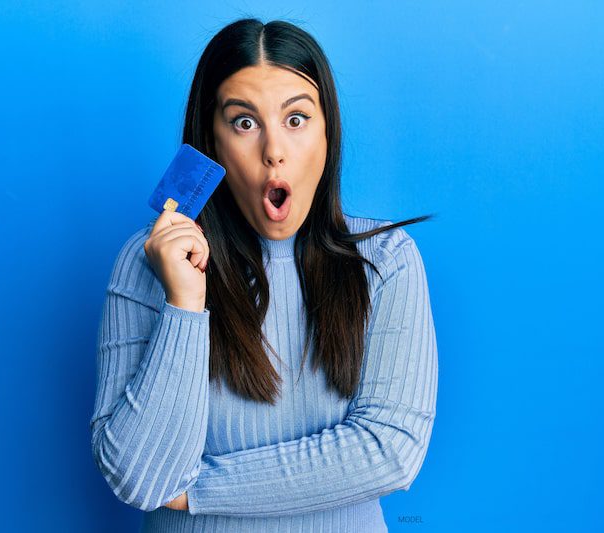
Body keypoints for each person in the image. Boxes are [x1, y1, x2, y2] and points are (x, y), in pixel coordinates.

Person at [89, 17, 439, 532]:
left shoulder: (386, 260)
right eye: (244, 122)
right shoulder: (146, 263)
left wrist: (196, 491)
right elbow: (140, 480)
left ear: (327, 133)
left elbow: (389, 450)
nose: (273, 150)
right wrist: (184, 303)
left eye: (296, 119)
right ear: (211, 142)